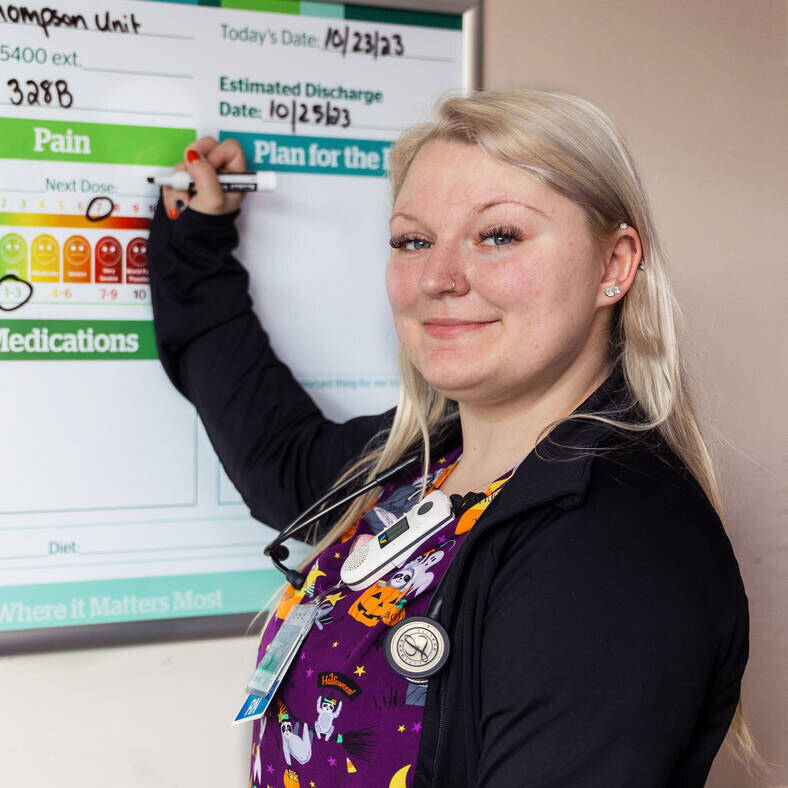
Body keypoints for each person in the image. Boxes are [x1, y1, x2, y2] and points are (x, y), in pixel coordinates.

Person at [147, 90, 753, 787]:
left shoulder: (615, 549)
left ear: (613, 266)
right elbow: (270, 445)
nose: (437, 278)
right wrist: (197, 239)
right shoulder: (420, 468)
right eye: (413, 240)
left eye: (499, 235)